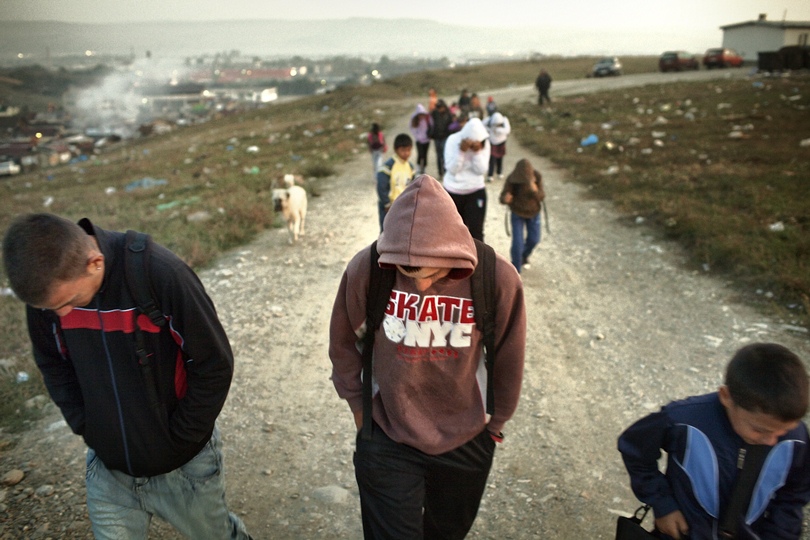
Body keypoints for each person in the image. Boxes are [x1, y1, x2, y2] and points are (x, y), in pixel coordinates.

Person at [1, 213, 252, 540]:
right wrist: (87, 427)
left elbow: (214, 363)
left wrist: (180, 438)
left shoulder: (160, 274)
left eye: (69, 302)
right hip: (109, 469)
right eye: (52, 308)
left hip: (184, 466)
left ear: (95, 263)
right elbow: (53, 364)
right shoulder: (49, 293)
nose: (61, 314)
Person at [329, 175, 526, 540]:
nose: (419, 285)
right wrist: (359, 410)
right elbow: (342, 344)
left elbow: (509, 355)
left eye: (432, 272)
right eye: (406, 271)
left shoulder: (496, 276)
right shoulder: (367, 269)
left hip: (467, 437)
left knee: (446, 533)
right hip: (387, 434)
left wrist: (496, 423)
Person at [618, 343, 810, 540]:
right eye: (759, 430)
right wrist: (664, 505)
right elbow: (634, 449)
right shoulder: (684, 420)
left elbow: (794, 495)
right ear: (726, 397)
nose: (771, 440)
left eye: (783, 430)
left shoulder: (796, 439)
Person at [443, 117, 490, 242]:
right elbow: (451, 169)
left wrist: (477, 153)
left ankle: (477, 255)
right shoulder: (452, 140)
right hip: (453, 190)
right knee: (454, 233)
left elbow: (481, 170)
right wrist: (461, 152)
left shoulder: (484, 143)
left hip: (475, 190)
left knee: (476, 232)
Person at [499, 159, 544, 273]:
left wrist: (535, 190)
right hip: (517, 213)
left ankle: (524, 256)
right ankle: (516, 269)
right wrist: (505, 199)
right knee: (517, 243)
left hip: (533, 213)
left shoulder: (537, 176)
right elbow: (502, 197)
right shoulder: (512, 178)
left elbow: (541, 197)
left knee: (534, 239)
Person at [376, 133, 415, 232]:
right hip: (389, 207)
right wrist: (386, 204)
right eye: (403, 150)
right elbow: (381, 186)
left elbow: (414, 185)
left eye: (408, 150)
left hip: (404, 206)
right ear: (395, 149)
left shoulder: (410, 167)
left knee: (402, 232)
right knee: (387, 233)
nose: (406, 153)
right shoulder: (388, 167)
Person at [483, 111, 511, 182]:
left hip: (501, 141)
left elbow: (507, 130)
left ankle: (499, 172)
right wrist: (489, 130)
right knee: (492, 158)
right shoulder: (489, 120)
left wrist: (498, 130)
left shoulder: (504, 120)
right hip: (492, 141)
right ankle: (490, 175)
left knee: (500, 158)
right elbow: (482, 125)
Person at [429, 99, 454, 178]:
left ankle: (446, 172)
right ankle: (440, 173)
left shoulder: (448, 114)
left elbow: (451, 126)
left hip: (445, 137)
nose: (440, 109)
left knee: (445, 155)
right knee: (439, 156)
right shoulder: (434, 114)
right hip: (437, 137)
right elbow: (431, 124)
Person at [409, 104, 432, 175]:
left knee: (425, 155)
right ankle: (418, 169)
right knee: (420, 154)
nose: (421, 116)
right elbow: (411, 128)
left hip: (427, 140)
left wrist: (429, 135)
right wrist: (417, 136)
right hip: (419, 140)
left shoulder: (427, 118)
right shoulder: (414, 119)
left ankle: (424, 169)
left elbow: (431, 125)